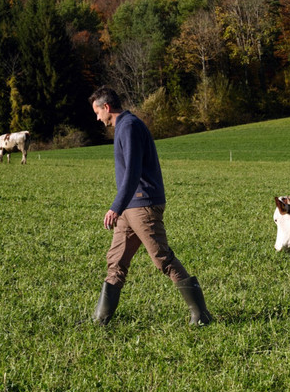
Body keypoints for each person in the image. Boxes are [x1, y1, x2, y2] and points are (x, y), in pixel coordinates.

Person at [89, 86, 212, 326]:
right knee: (116, 260)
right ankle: (100, 319)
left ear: (107, 107)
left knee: (162, 259)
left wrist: (115, 206)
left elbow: (133, 172)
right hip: (130, 206)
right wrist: (121, 207)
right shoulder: (125, 127)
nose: (97, 118)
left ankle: (201, 315)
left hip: (142, 204)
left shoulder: (129, 127)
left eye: (97, 112)